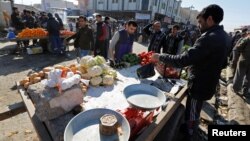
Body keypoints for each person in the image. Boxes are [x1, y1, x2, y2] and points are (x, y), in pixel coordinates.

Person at [151, 5, 230, 140]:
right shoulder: (225, 36)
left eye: (200, 22)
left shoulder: (209, 37)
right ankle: (189, 127)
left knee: (192, 112)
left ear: (209, 19)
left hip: (200, 84)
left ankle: (190, 133)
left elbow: (183, 60)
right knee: (195, 109)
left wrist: (160, 57)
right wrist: (201, 64)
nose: (199, 26)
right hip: (209, 81)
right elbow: (223, 63)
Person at [232, 32, 250, 98]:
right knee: (248, 78)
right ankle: (245, 92)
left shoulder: (246, 39)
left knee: (239, 75)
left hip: (243, 60)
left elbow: (238, 47)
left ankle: (236, 89)